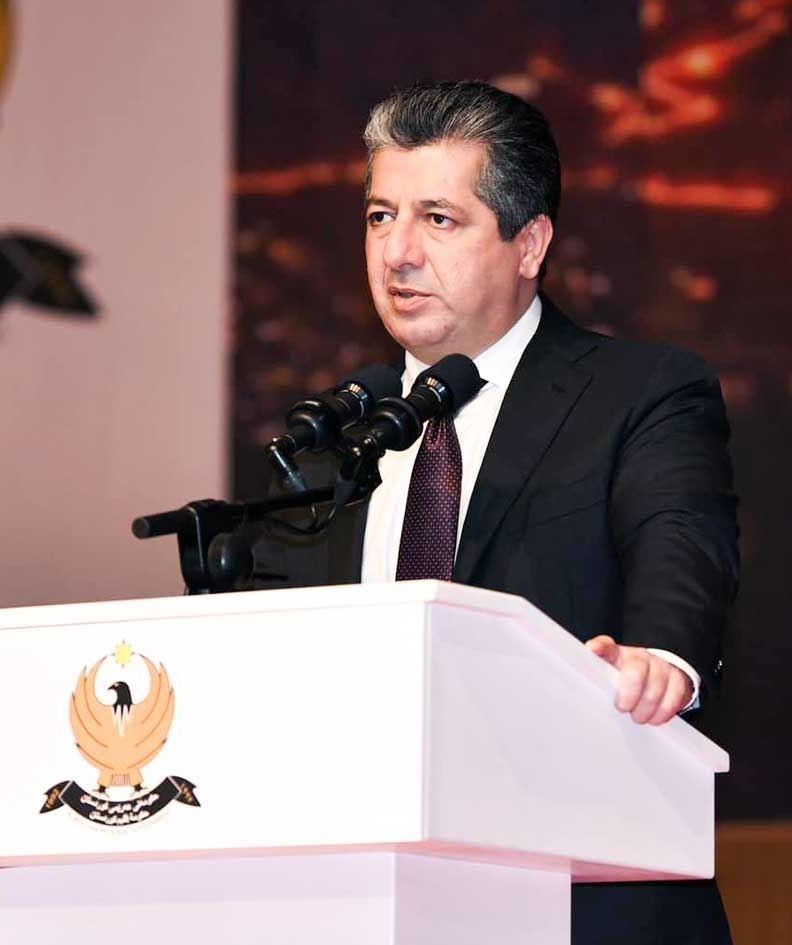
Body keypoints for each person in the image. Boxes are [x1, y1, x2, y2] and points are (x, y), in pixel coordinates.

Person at [257, 80, 739, 945]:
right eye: (379, 216)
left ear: (530, 244)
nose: (398, 252)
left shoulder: (638, 394)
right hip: (358, 907)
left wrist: (659, 654)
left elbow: (679, 538)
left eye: (438, 219)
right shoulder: (334, 435)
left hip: (582, 899)